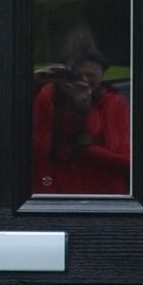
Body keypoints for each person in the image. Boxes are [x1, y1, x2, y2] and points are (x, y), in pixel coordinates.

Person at [31, 29, 130, 195]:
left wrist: (85, 113)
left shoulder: (113, 102)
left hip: (103, 193)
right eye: (77, 76)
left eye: (91, 75)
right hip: (56, 191)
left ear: (102, 75)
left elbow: (124, 159)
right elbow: (39, 151)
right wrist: (34, 83)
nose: (84, 81)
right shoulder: (48, 97)